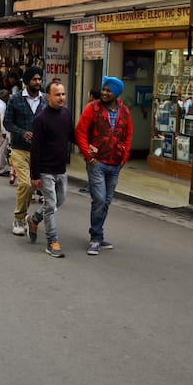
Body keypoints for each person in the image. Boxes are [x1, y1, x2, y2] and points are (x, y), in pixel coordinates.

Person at [75, 76, 133, 255]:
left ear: (116, 93)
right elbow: (81, 131)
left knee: (106, 201)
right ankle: (95, 238)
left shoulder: (125, 111)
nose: (104, 93)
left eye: (109, 90)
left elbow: (128, 135)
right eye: (104, 89)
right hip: (97, 162)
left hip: (115, 163)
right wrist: (87, 155)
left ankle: (98, 234)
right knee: (99, 199)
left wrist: (124, 157)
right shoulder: (92, 108)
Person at [24, 82, 76, 257]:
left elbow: (71, 135)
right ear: (48, 97)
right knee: (51, 204)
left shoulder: (66, 114)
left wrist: (87, 146)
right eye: (57, 95)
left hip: (61, 169)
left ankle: (34, 219)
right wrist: (35, 175)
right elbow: (35, 148)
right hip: (45, 169)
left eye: (63, 94)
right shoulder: (41, 119)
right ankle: (52, 241)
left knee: (58, 202)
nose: (61, 98)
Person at [3, 66, 47, 235]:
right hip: (19, 149)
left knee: (34, 186)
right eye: (35, 79)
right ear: (27, 81)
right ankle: (19, 218)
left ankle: (26, 214)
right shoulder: (15, 99)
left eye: (39, 79)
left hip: (39, 151)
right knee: (25, 183)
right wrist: (22, 132)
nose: (38, 82)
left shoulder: (45, 100)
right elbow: (7, 123)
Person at [79, 88, 100, 193]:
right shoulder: (103, 107)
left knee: (91, 165)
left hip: (91, 141)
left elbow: (83, 127)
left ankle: (92, 187)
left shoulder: (91, 107)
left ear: (91, 96)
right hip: (98, 142)